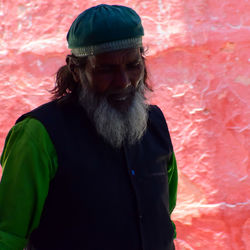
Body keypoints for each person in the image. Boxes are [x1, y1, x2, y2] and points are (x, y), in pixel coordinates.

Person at [0, 4, 178, 250]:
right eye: (106, 69)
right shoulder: (38, 135)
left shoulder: (155, 124)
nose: (124, 81)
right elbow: (7, 235)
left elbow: (161, 212)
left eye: (133, 65)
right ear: (75, 69)